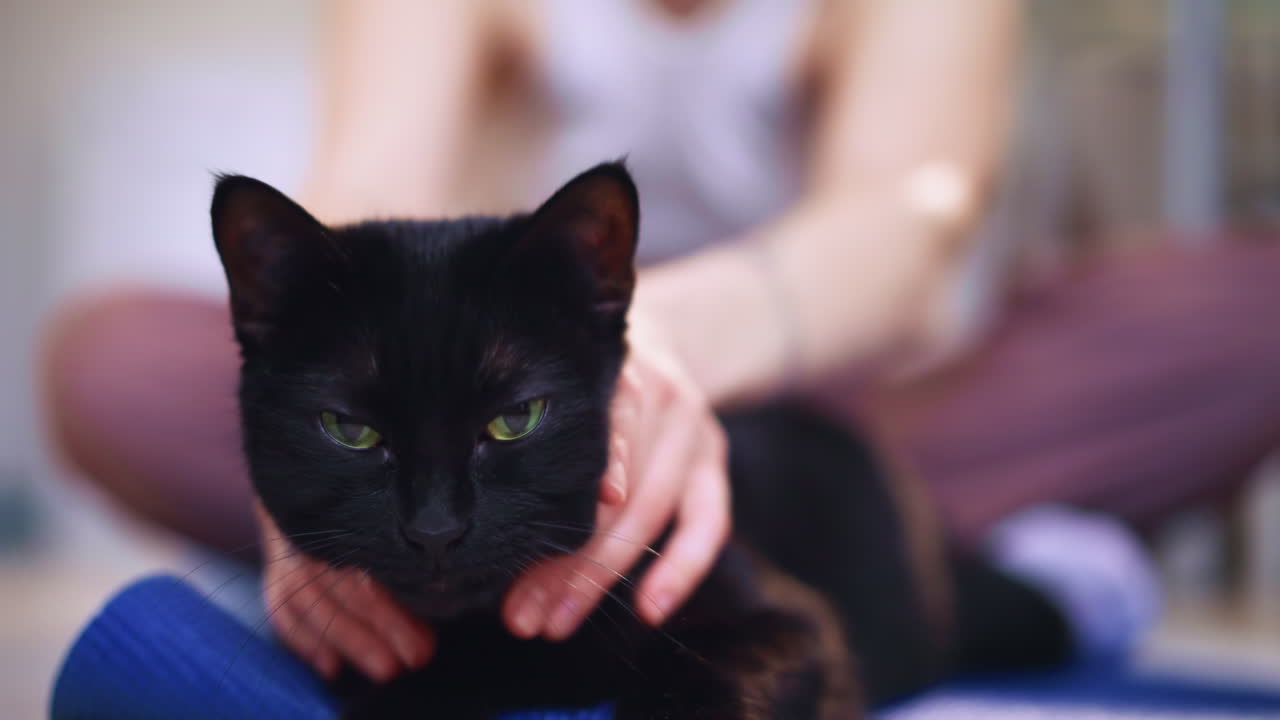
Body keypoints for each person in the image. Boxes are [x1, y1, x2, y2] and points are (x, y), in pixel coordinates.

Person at [42, 0, 1280, 685]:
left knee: (1254, 310)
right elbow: (359, 208)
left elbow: (906, 235)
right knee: (110, 361)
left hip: (853, 406)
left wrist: (662, 357)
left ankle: (921, 543)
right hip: (499, 410)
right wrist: (312, 422)